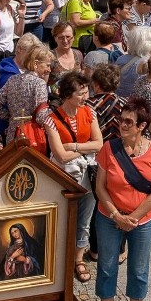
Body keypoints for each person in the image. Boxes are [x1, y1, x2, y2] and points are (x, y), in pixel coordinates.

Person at [94, 96, 151, 301]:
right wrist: (117, 216)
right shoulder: (109, 148)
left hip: (142, 221)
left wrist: (132, 218)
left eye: (128, 122)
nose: (122, 124)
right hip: (109, 217)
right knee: (107, 267)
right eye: (121, 119)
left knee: (139, 269)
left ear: (142, 126)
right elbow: (100, 187)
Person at [43, 72, 103, 284]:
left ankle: (78, 259)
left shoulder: (89, 113)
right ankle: (58, 257)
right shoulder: (51, 120)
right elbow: (60, 155)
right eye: (81, 93)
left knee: (84, 219)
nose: (85, 96)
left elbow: (99, 144)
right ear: (68, 94)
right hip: (63, 176)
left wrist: (75, 147)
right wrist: (84, 150)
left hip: (87, 176)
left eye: (86, 91)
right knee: (60, 217)